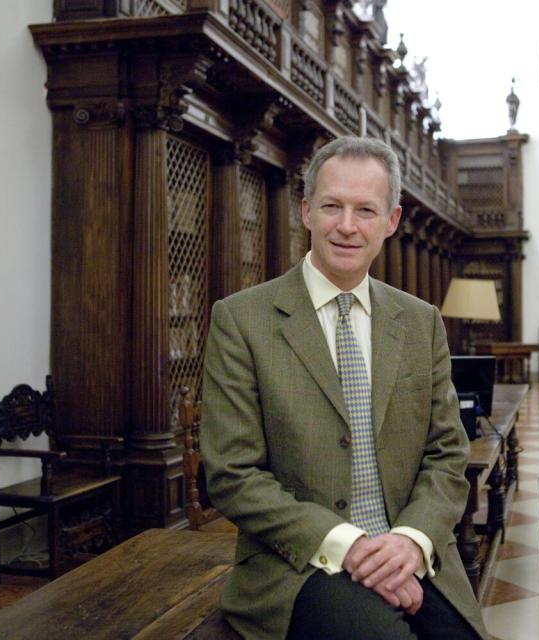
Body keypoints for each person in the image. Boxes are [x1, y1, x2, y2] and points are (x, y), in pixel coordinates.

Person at [200, 136, 487, 640]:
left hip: (405, 548)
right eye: (332, 206)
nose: (348, 226)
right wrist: (348, 544)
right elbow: (232, 474)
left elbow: (447, 454)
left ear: (391, 221)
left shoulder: (421, 323)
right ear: (307, 212)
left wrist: (411, 542)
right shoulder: (242, 320)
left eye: (366, 210)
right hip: (298, 563)